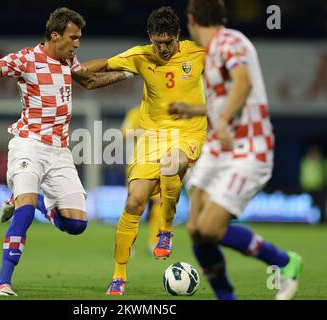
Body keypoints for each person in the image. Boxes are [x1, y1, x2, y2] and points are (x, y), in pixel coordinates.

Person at [0, 7, 132, 297]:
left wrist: (128, 71)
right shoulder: (26, 60)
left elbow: (90, 81)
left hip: (59, 152)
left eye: (80, 38)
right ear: (55, 35)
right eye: (73, 37)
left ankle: (38, 202)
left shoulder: (68, 59)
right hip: (28, 145)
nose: (77, 44)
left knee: (76, 224)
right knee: (22, 212)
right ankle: (2, 282)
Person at [169, 0, 302, 300]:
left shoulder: (231, 41)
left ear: (191, 20)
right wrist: (191, 109)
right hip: (220, 148)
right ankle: (227, 297)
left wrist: (225, 121)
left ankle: (284, 262)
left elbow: (243, 82)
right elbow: (222, 100)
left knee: (211, 228)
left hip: (249, 147)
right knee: (195, 229)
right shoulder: (213, 51)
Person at [84, 6, 207, 295]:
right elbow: (105, 65)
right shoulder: (141, 55)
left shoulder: (198, 53)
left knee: (172, 163)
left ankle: (165, 230)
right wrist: (71, 68)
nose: (162, 48)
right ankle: (119, 275)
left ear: (178, 36)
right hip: (152, 136)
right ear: (150, 37)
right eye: (157, 42)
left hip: (189, 132)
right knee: (133, 202)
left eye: (168, 42)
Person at [121, 106, 162, 254]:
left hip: (158, 163)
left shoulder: (163, 111)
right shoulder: (135, 113)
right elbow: (124, 133)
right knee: (133, 204)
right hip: (138, 164)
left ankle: (153, 242)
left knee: (159, 202)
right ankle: (127, 243)